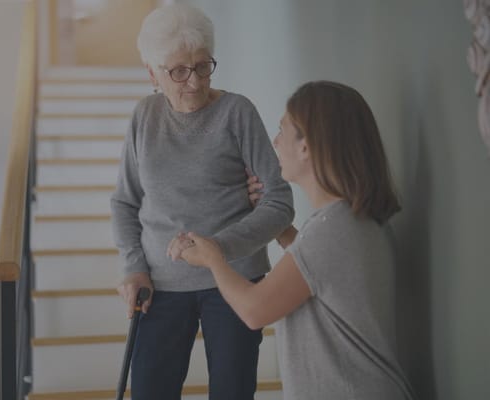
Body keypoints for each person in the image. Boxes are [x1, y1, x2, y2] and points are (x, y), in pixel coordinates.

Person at [180, 81, 416, 400]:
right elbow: (317, 276)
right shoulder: (351, 220)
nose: (275, 142)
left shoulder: (332, 229)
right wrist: (280, 228)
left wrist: (213, 259)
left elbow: (254, 310)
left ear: (306, 146)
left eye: (282, 130)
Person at [110, 3, 294, 400]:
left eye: (202, 67)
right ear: (152, 73)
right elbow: (125, 202)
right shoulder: (144, 117)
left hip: (234, 281)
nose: (193, 82)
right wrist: (133, 267)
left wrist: (216, 251)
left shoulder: (236, 112)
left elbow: (279, 203)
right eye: (178, 71)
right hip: (159, 284)